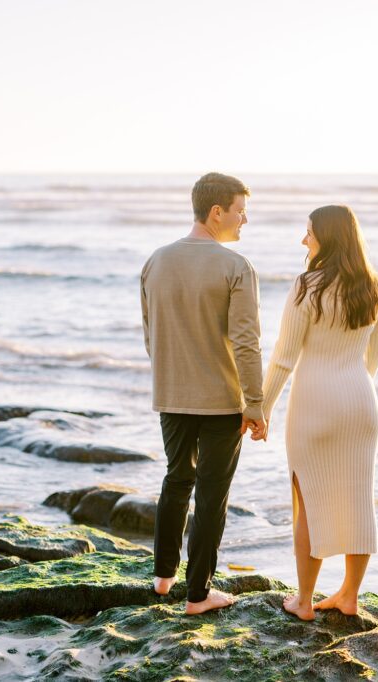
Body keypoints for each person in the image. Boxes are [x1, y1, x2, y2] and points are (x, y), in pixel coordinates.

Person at [140, 172, 266, 615]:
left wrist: (170, 378)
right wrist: (255, 403)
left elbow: (151, 334)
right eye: (240, 210)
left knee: (176, 479)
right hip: (219, 400)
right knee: (212, 493)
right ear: (217, 212)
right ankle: (198, 595)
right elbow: (247, 342)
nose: (244, 219)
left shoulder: (155, 260)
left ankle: (162, 577)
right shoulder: (236, 266)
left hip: (170, 393)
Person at [258, 204, 378, 620]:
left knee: (307, 499)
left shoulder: (306, 286)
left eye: (309, 232)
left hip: (314, 404)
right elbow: (375, 357)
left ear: (328, 238)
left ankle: (304, 601)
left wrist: (260, 409)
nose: (304, 240)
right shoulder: (376, 287)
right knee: (357, 498)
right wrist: (351, 386)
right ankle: (349, 596)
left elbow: (284, 358)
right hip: (360, 402)